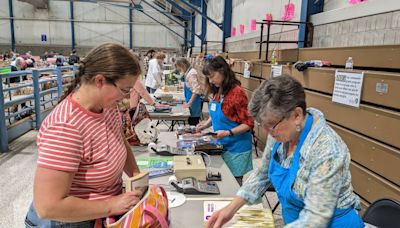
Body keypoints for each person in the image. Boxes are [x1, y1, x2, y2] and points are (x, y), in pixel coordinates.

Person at [206, 75, 364, 228]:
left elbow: (315, 219)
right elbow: (262, 174)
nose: (268, 133)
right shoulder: (281, 132)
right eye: (263, 125)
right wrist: (231, 208)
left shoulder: (328, 150)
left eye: (271, 125)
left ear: (296, 115)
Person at [25, 43, 144, 227]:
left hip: (102, 214)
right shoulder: (66, 126)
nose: (127, 98)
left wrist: (137, 176)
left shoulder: (107, 107)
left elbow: (120, 142)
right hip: (73, 221)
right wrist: (110, 206)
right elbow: (47, 207)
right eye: (125, 90)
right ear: (100, 81)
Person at [197, 56, 254, 185]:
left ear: (222, 71)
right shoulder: (219, 90)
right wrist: (206, 124)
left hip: (236, 148)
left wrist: (228, 132)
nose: (210, 81)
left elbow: (249, 124)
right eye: (208, 78)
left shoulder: (237, 93)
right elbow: (218, 113)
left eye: (212, 76)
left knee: (233, 184)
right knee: (221, 181)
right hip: (222, 144)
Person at [175, 58, 203, 126]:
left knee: (193, 122)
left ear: (183, 66)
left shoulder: (191, 73)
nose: (180, 71)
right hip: (190, 100)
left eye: (180, 69)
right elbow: (190, 85)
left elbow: (196, 90)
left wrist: (190, 103)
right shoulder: (189, 72)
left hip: (194, 102)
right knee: (191, 122)